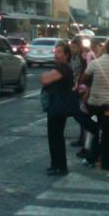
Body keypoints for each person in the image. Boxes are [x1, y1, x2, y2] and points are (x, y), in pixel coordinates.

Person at [78, 37, 109, 167]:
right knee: (107, 131)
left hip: (95, 104)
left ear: (106, 47)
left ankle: (92, 155)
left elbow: (84, 79)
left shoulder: (96, 63)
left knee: (86, 119)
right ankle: (102, 156)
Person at [41, 43, 75, 176]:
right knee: (55, 135)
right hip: (58, 105)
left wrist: (47, 75)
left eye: (59, 52)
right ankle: (57, 164)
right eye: (55, 51)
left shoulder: (63, 69)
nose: (56, 54)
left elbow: (44, 79)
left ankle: (59, 166)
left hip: (58, 105)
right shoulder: (62, 68)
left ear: (66, 55)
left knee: (55, 136)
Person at [68, 37, 88, 151]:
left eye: (74, 47)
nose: (72, 49)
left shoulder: (83, 57)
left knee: (80, 113)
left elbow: (86, 71)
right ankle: (82, 137)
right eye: (71, 46)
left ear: (79, 48)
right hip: (74, 87)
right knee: (77, 113)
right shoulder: (72, 57)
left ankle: (84, 138)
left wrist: (81, 83)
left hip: (82, 88)